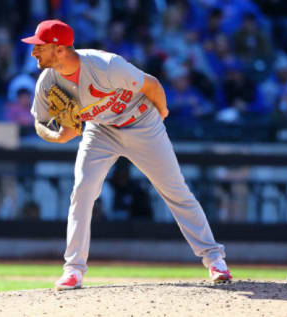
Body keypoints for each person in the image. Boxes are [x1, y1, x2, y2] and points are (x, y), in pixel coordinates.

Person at [22, 19, 232, 291]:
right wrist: (57, 136)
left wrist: (162, 114)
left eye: (39, 46)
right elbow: (39, 122)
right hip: (100, 130)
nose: (33, 52)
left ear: (59, 49)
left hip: (141, 122)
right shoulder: (47, 81)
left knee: (175, 190)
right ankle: (73, 269)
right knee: (83, 191)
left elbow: (153, 85)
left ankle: (215, 259)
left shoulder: (107, 66)